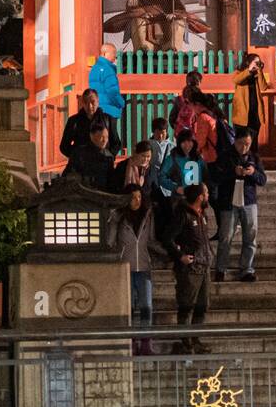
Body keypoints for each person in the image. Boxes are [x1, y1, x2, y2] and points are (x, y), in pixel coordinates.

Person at [214, 128, 267, 282]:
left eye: (247, 144)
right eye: (241, 144)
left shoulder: (254, 158)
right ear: (235, 141)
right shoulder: (225, 156)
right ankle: (221, 268)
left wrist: (253, 173)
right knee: (226, 236)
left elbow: (263, 180)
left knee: (250, 236)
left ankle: (247, 269)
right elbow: (216, 177)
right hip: (229, 202)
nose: (244, 147)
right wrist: (233, 172)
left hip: (249, 201)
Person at [167, 184, 213, 354]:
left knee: (202, 305)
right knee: (186, 304)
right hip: (190, 268)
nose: (208, 195)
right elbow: (168, 238)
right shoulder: (183, 215)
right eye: (206, 192)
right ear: (200, 196)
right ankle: (185, 340)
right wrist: (181, 256)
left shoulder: (203, 215)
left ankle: (196, 338)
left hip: (204, 266)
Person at [116, 185, 159, 354]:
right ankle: (132, 340)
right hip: (125, 265)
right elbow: (113, 239)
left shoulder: (148, 216)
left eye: (139, 197)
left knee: (146, 305)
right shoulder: (119, 217)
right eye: (133, 197)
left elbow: (152, 239)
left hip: (143, 264)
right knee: (129, 305)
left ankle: (146, 341)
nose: (137, 201)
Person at [59, 88, 122, 160]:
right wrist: (77, 157)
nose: (90, 106)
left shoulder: (108, 120)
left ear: (98, 102)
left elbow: (116, 143)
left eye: (93, 102)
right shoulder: (73, 121)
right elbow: (64, 146)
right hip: (81, 167)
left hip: (102, 165)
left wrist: (107, 156)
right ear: (82, 103)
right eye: (86, 102)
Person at [65, 120, 117, 191]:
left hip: (103, 193)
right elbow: (69, 173)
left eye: (107, 137)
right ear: (92, 136)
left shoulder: (108, 156)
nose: (105, 140)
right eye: (101, 137)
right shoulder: (79, 153)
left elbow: (111, 180)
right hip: (82, 192)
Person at [231, 51, 269, 142]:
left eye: (259, 62)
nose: (257, 64)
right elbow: (236, 80)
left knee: (254, 143)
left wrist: (259, 71)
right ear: (249, 62)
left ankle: (253, 156)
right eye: (256, 62)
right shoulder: (239, 73)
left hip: (255, 115)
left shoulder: (257, 75)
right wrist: (249, 70)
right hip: (242, 116)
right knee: (241, 143)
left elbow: (263, 87)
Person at [89, 42, 126, 121]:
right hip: (109, 111)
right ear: (105, 53)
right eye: (113, 53)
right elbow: (112, 91)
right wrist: (121, 103)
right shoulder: (108, 69)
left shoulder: (94, 69)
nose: (115, 56)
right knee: (111, 133)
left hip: (97, 110)